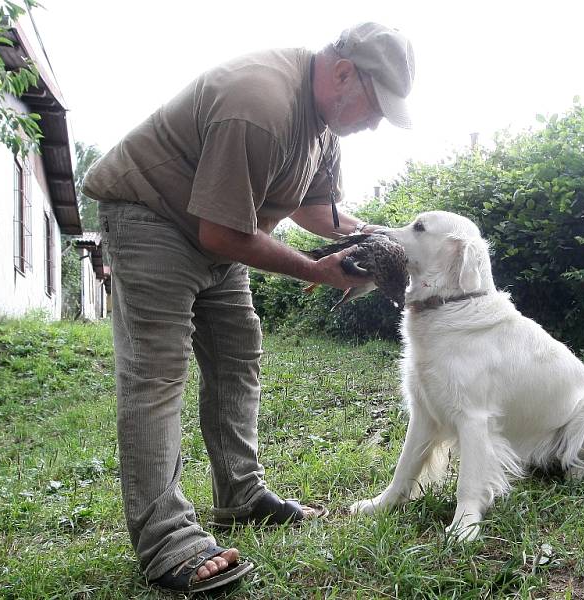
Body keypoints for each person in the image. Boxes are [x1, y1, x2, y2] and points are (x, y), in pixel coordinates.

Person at [82, 22, 415, 593]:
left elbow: (317, 211)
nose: (376, 121)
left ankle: (240, 494)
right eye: (376, 105)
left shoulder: (323, 128)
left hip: (216, 229)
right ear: (342, 74)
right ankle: (167, 541)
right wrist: (314, 270)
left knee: (238, 352)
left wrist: (383, 238)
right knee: (157, 373)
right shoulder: (258, 103)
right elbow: (222, 234)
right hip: (151, 216)